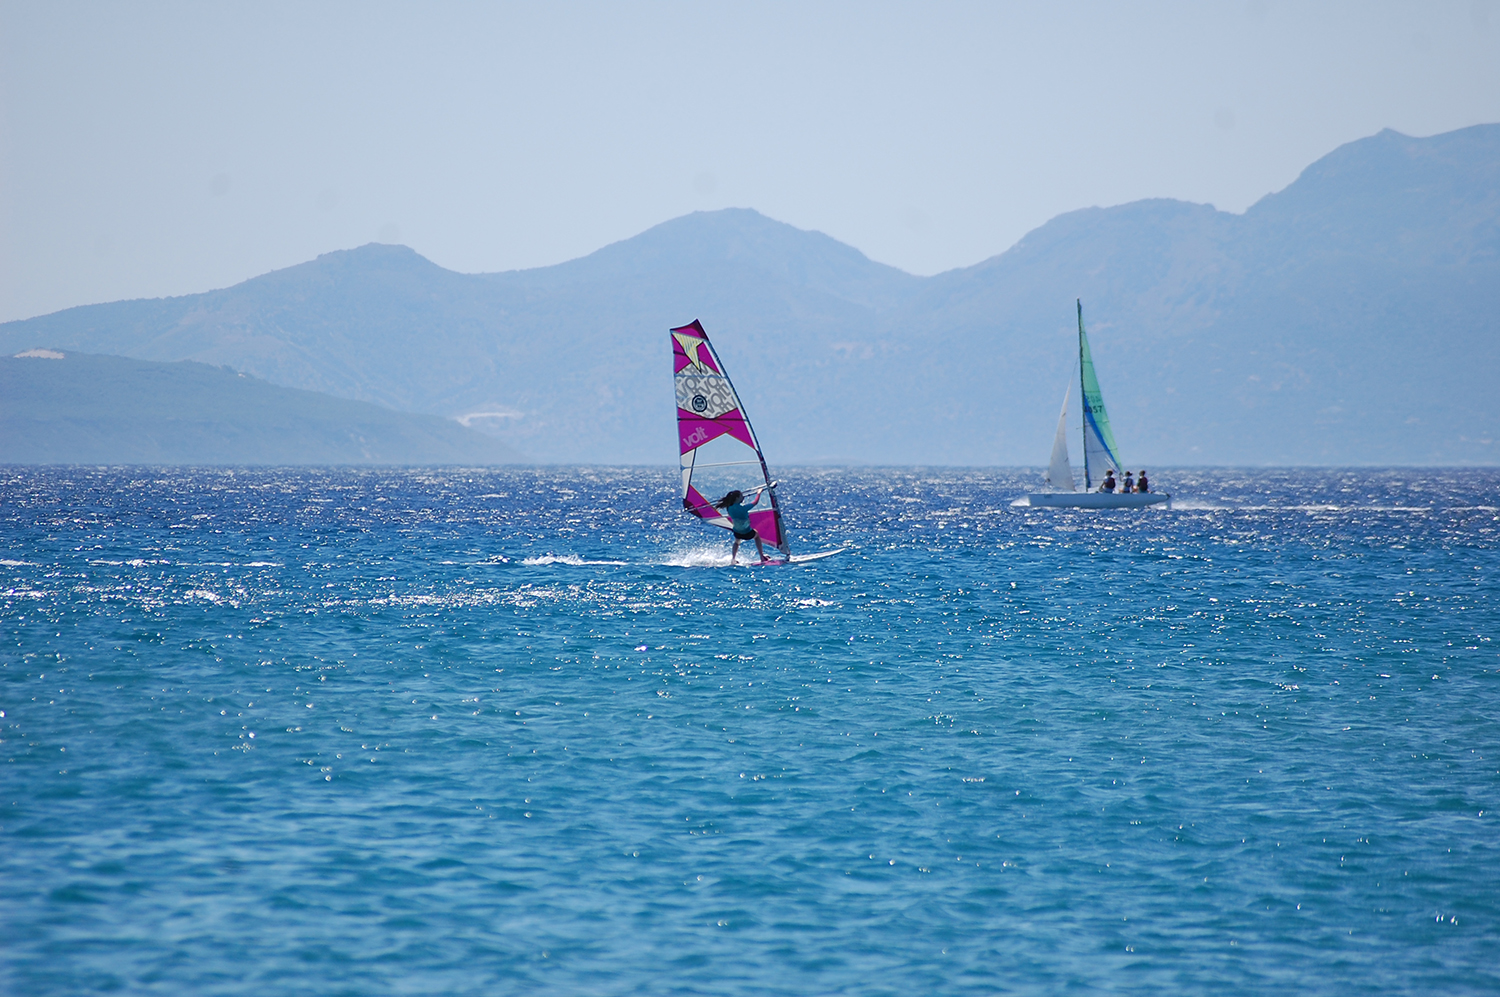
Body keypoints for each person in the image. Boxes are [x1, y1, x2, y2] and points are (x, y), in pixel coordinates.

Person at [716, 487, 772, 563]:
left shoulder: (729, 508)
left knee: (737, 542)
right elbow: (755, 502)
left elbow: (733, 512)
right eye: (741, 496)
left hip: (737, 532)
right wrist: (759, 493)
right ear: (737, 498)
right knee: (756, 535)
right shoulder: (743, 508)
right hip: (747, 533)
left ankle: (733, 559)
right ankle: (761, 556)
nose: (743, 497)